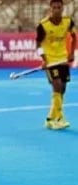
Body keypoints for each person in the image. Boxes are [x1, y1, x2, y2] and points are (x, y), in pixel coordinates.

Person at [36, 0, 75, 130]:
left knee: (62, 89)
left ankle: (50, 118)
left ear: (62, 8)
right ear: (50, 9)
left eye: (59, 7)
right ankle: (59, 118)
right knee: (57, 85)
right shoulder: (43, 25)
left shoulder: (68, 21)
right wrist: (44, 59)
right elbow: (38, 44)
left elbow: (74, 36)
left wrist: (71, 53)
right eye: (54, 8)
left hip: (63, 59)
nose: (57, 10)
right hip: (50, 61)